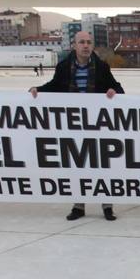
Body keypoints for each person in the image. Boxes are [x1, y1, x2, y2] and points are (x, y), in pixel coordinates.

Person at [31, 30, 122, 220]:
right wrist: (37, 90)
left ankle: (107, 206)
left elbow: (117, 87)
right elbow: (55, 86)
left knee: (102, 165)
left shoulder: (102, 66)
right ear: (74, 45)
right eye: (82, 42)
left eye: (89, 42)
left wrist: (113, 91)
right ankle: (78, 206)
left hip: (98, 124)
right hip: (73, 126)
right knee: (77, 166)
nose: (86, 46)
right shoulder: (64, 67)